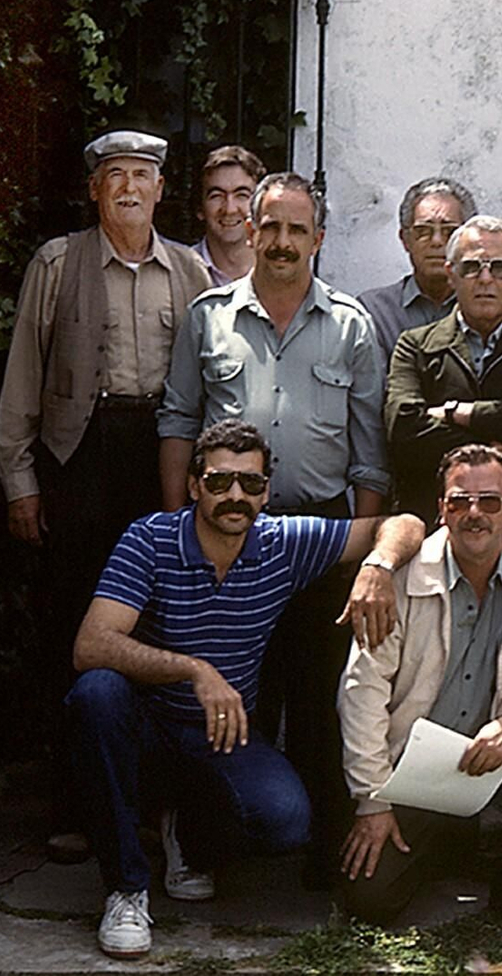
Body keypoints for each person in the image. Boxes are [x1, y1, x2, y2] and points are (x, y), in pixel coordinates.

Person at [67, 419, 425, 960]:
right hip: (147, 721)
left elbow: (403, 522)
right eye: (219, 482)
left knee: (286, 820)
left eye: (251, 485)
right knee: (96, 693)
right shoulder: (151, 539)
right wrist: (194, 670)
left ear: (266, 491)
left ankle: (187, 835)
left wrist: (377, 565)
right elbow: (91, 645)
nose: (236, 496)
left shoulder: (281, 542)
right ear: (193, 487)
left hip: (221, 735)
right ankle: (126, 889)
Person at [157, 170, 389, 885]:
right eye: (271, 227)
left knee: (322, 696)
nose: (283, 242)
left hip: (319, 539)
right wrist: (177, 528)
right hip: (225, 532)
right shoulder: (208, 316)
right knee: (227, 698)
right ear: (248, 230)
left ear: (318, 238)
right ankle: (207, 844)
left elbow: (370, 457)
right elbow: (177, 421)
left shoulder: (352, 325)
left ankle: (323, 854)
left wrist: (363, 558)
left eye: (298, 229)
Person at [0, 128, 212, 858]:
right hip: (79, 458)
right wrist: (19, 479)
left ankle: (154, 804)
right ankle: (75, 807)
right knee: (77, 632)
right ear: (94, 189)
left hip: (162, 457)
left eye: (141, 175)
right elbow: (24, 373)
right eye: (114, 174)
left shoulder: (190, 270)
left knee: (160, 626)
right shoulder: (57, 264)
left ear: (159, 190)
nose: (128, 186)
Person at [337, 443, 502, 930]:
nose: (474, 514)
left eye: (489, 501)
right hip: (411, 771)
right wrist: (373, 802)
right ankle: (450, 843)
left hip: (491, 758)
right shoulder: (403, 576)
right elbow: (361, 691)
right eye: (459, 501)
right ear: (441, 510)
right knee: (370, 902)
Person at [385, 215, 502, 552]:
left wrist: (460, 413)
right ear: (451, 273)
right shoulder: (414, 346)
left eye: (498, 268)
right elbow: (404, 429)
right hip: (434, 538)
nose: (485, 279)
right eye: (472, 267)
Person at [358, 176, 478, 366]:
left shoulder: (484, 305)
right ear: (405, 240)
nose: (437, 241)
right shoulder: (375, 311)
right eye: (423, 231)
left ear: (469, 242)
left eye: (449, 231)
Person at [192, 145, 266, 287]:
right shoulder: (179, 270)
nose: (229, 209)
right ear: (200, 208)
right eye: (216, 196)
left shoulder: (276, 272)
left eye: (242, 195)